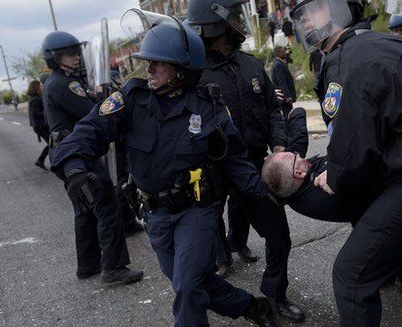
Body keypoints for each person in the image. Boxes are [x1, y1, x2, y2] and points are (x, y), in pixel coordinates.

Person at [49, 21, 279, 327]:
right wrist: (74, 167)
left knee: (187, 284)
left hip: (196, 210)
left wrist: (270, 191)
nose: (150, 69)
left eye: (159, 63)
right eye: (148, 62)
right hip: (155, 214)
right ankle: (252, 307)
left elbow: (235, 159)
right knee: (192, 282)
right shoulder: (132, 98)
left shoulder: (207, 105)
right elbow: (90, 130)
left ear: (182, 69)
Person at [290, 0, 402, 326]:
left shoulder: (345, 58)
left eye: (312, 9)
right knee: (398, 257)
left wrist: (333, 175)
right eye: (301, 15)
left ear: (338, 6)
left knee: (352, 275)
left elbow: (353, 140)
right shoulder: (373, 44)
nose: (305, 20)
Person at [187, 0, 305, 322]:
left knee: (278, 235)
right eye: (235, 16)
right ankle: (221, 280)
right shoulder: (193, 74)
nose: (241, 23)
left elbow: (271, 109)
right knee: (202, 241)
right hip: (211, 170)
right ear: (216, 23)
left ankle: (274, 296)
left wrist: (279, 144)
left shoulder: (252, 65)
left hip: (252, 165)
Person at [41, 30, 142, 284]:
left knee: (84, 208)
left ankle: (88, 264)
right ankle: (114, 268)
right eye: (68, 53)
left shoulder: (57, 81)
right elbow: (90, 111)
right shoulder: (64, 83)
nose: (75, 57)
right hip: (76, 152)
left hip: (66, 151)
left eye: (76, 52)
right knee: (106, 202)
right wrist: (105, 99)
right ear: (54, 57)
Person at [27, 79, 50, 170]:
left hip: (39, 126)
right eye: (40, 86)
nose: (41, 87)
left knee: (52, 143)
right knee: (53, 144)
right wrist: (47, 112)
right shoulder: (35, 99)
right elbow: (35, 114)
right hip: (41, 126)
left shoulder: (34, 98)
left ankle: (41, 160)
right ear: (36, 87)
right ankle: (41, 160)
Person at [271, 46, 297, 117]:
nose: (285, 53)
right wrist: (287, 96)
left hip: (284, 96)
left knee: (288, 115)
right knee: (287, 116)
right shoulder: (278, 65)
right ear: (279, 53)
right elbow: (282, 82)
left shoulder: (280, 63)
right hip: (284, 97)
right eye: (283, 51)